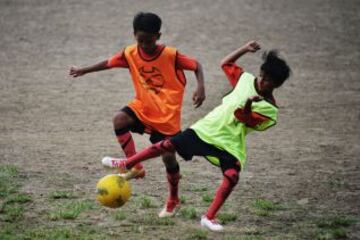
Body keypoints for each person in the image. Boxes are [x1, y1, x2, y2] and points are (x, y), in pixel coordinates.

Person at [101, 40, 291, 231]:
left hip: (229, 143)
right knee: (167, 146)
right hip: (205, 129)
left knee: (232, 176)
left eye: (268, 81)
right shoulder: (245, 79)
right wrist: (244, 49)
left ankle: (208, 217)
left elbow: (244, 118)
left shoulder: (270, 111)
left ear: (277, 85)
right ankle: (128, 163)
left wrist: (249, 104)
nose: (262, 82)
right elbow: (225, 63)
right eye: (262, 76)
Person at [69, 12, 205, 217]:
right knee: (119, 119)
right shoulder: (130, 53)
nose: (145, 45)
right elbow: (108, 63)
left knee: (169, 158)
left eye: (149, 41)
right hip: (143, 108)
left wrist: (200, 88)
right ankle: (135, 166)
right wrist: (83, 70)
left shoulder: (171, 55)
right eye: (140, 40)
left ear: (158, 36)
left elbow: (197, 66)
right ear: (134, 35)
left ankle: (173, 199)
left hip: (167, 117)